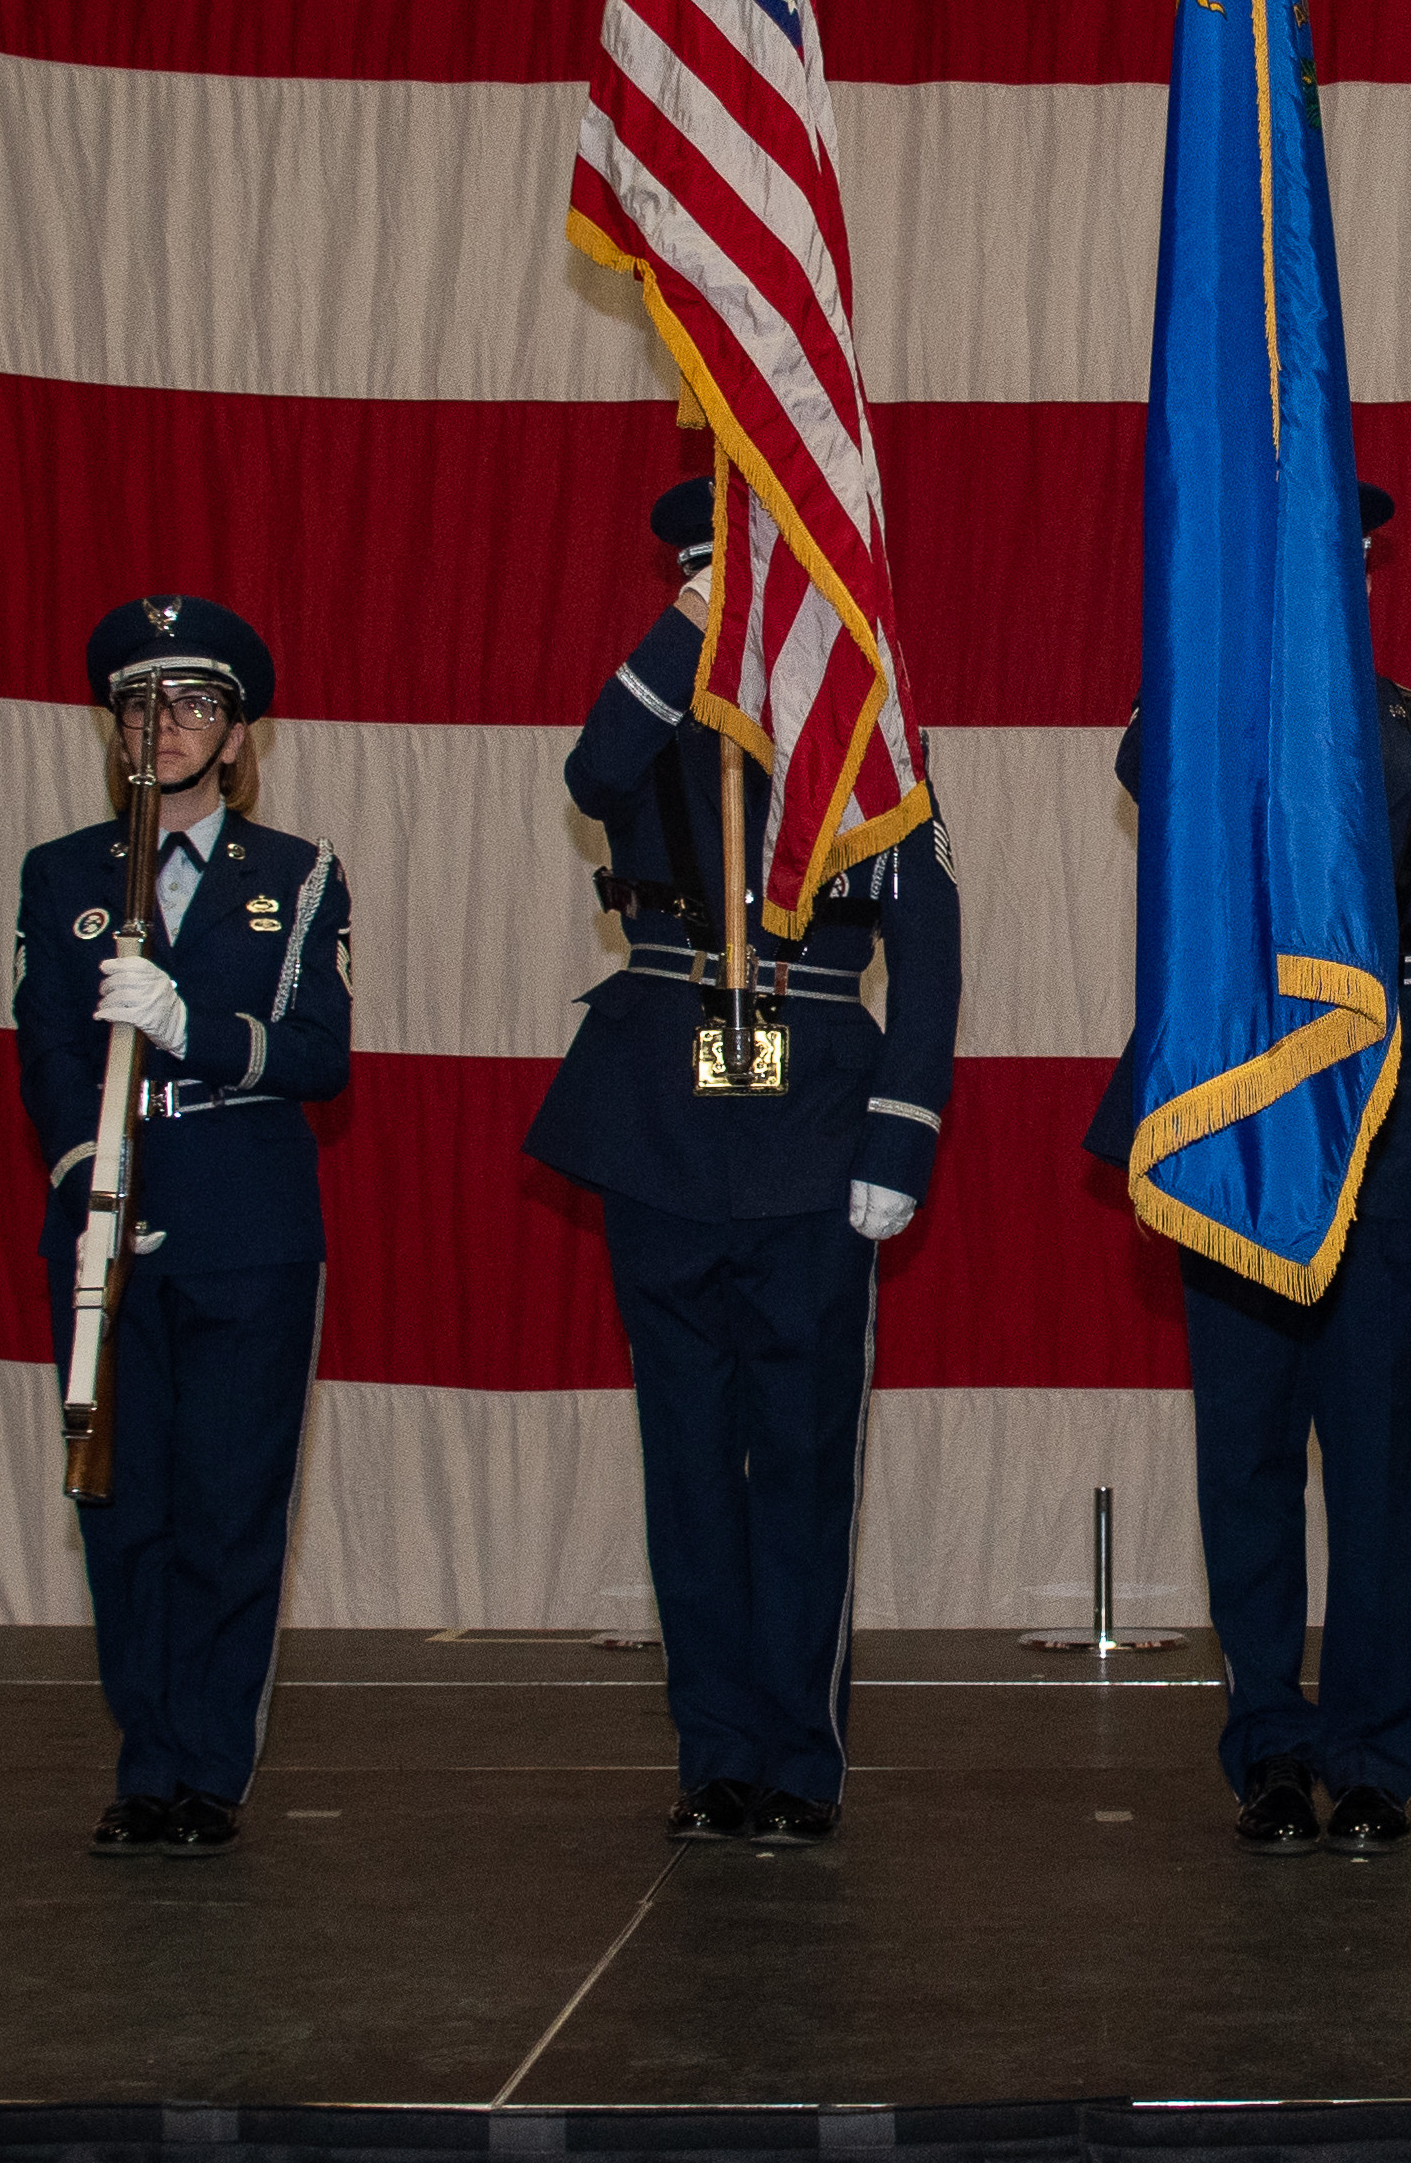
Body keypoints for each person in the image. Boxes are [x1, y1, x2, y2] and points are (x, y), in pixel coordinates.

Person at [1085, 483, 1411, 1857]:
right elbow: (1147, 760)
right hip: (1243, 1101)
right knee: (1250, 1453)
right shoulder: (1203, 719)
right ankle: (1269, 1743)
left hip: (1395, 1106)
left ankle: (1379, 1750)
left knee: (1372, 1455)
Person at [526, 480, 964, 1846]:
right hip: (665, 1105)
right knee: (687, 1457)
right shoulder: (659, 709)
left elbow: (933, 939)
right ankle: (713, 1746)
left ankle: (799, 1750)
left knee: (803, 1452)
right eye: (730, 577)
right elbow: (591, 772)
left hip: (818, 1112)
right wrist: (690, 626)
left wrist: (905, 1128)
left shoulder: (863, 726)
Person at [15, 595, 354, 1859]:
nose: (164, 727)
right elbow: (45, 1044)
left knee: (226, 1503)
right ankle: (143, 1754)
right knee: (124, 1504)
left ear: (236, 730)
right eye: (141, 705)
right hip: (107, 1210)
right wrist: (85, 1164)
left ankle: (207, 1767)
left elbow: (321, 1056)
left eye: (193, 704)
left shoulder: (297, 875)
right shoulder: (64, 873)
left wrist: (190, 1029)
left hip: (245, 1214)